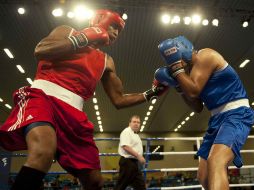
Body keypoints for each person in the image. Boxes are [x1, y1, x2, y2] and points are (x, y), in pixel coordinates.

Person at [0, 10, 168, 190]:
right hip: (42, 100)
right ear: (98, 20)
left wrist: (152, 93)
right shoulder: (67, 31)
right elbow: (41, 50)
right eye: (113, 26)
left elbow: (118, 100)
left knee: (94, 180)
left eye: (119, 31)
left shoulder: (106, 61)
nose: (116, 33)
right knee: (43, 152)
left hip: (73, 114)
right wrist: (83, 39)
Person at [156, 36, 254, 190]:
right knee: (204, 176)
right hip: (216, 119)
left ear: (182, 52)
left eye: (176, 61)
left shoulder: (205, 55)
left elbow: (194, 92)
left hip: (236, 113)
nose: (176, 65)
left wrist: (176, 70)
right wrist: (178, 86)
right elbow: (197, 107)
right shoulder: (191, 75)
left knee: (216, 161)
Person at [115, 115, 146, 190]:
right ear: (130, 123)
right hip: (127, 162)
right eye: (134, 122)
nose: (136, 124)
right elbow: (125, 146)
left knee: (141, 186)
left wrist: (138, 158)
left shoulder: (136, 134)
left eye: (138, 122)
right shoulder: (126, 131)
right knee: (120, 186)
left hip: (134, 163)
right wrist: (139, 156)